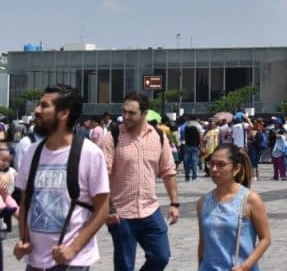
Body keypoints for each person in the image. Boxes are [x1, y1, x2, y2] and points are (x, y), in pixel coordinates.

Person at [13, 84, 111, 270]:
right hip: (35, 262)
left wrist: (73, 249)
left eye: (44, 105)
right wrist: (23, 239)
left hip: (71, 262)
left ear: (64, 113)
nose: (37, 110)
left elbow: (102, 209)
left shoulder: (89, 154)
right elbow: (25, 201)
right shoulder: (32, 152)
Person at [102, 91, 179, 271]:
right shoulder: (112, 137)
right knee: (124, 266)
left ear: (144, 113)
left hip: (150, 210)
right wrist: (109, 208)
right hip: (121, 214)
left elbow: (168, 171)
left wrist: (174, 203)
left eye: (131, 113)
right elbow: (101, 176)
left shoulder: (158, 137)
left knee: (161, 257)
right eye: (124, 111)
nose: (125, 116)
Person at [197, 144, 271, 270]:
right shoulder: (203, 201)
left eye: (221, 164)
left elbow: (265, 238)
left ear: (236, 169)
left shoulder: (250, 199)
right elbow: (203, 243)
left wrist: (245, 266)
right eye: (211, 163)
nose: (214, 169)